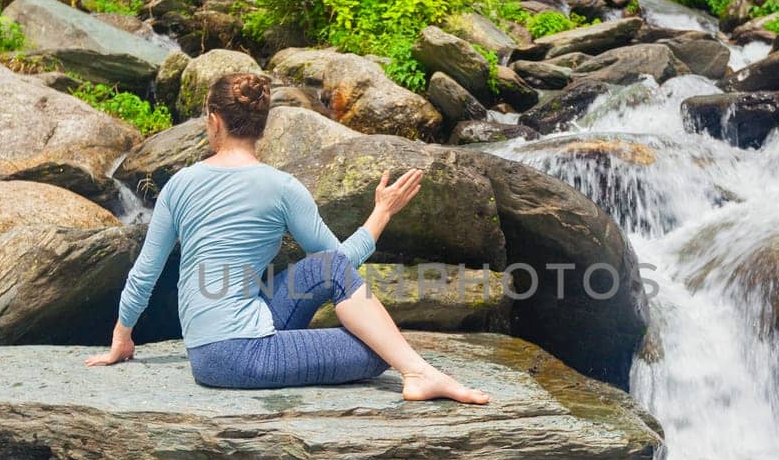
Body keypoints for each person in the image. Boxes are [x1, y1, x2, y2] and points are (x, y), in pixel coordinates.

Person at [86, 73, 489, 404]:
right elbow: (343, 261)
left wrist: (122, 337)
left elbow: (145, 272)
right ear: (263, 126)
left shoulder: (179, 184)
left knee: (334, 281)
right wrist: (381, 213)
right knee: (378, 349)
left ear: (213, 121)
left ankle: (416, 370)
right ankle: (418, 373)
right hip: (240, 356)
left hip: (208, 348)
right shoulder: (282, 187)